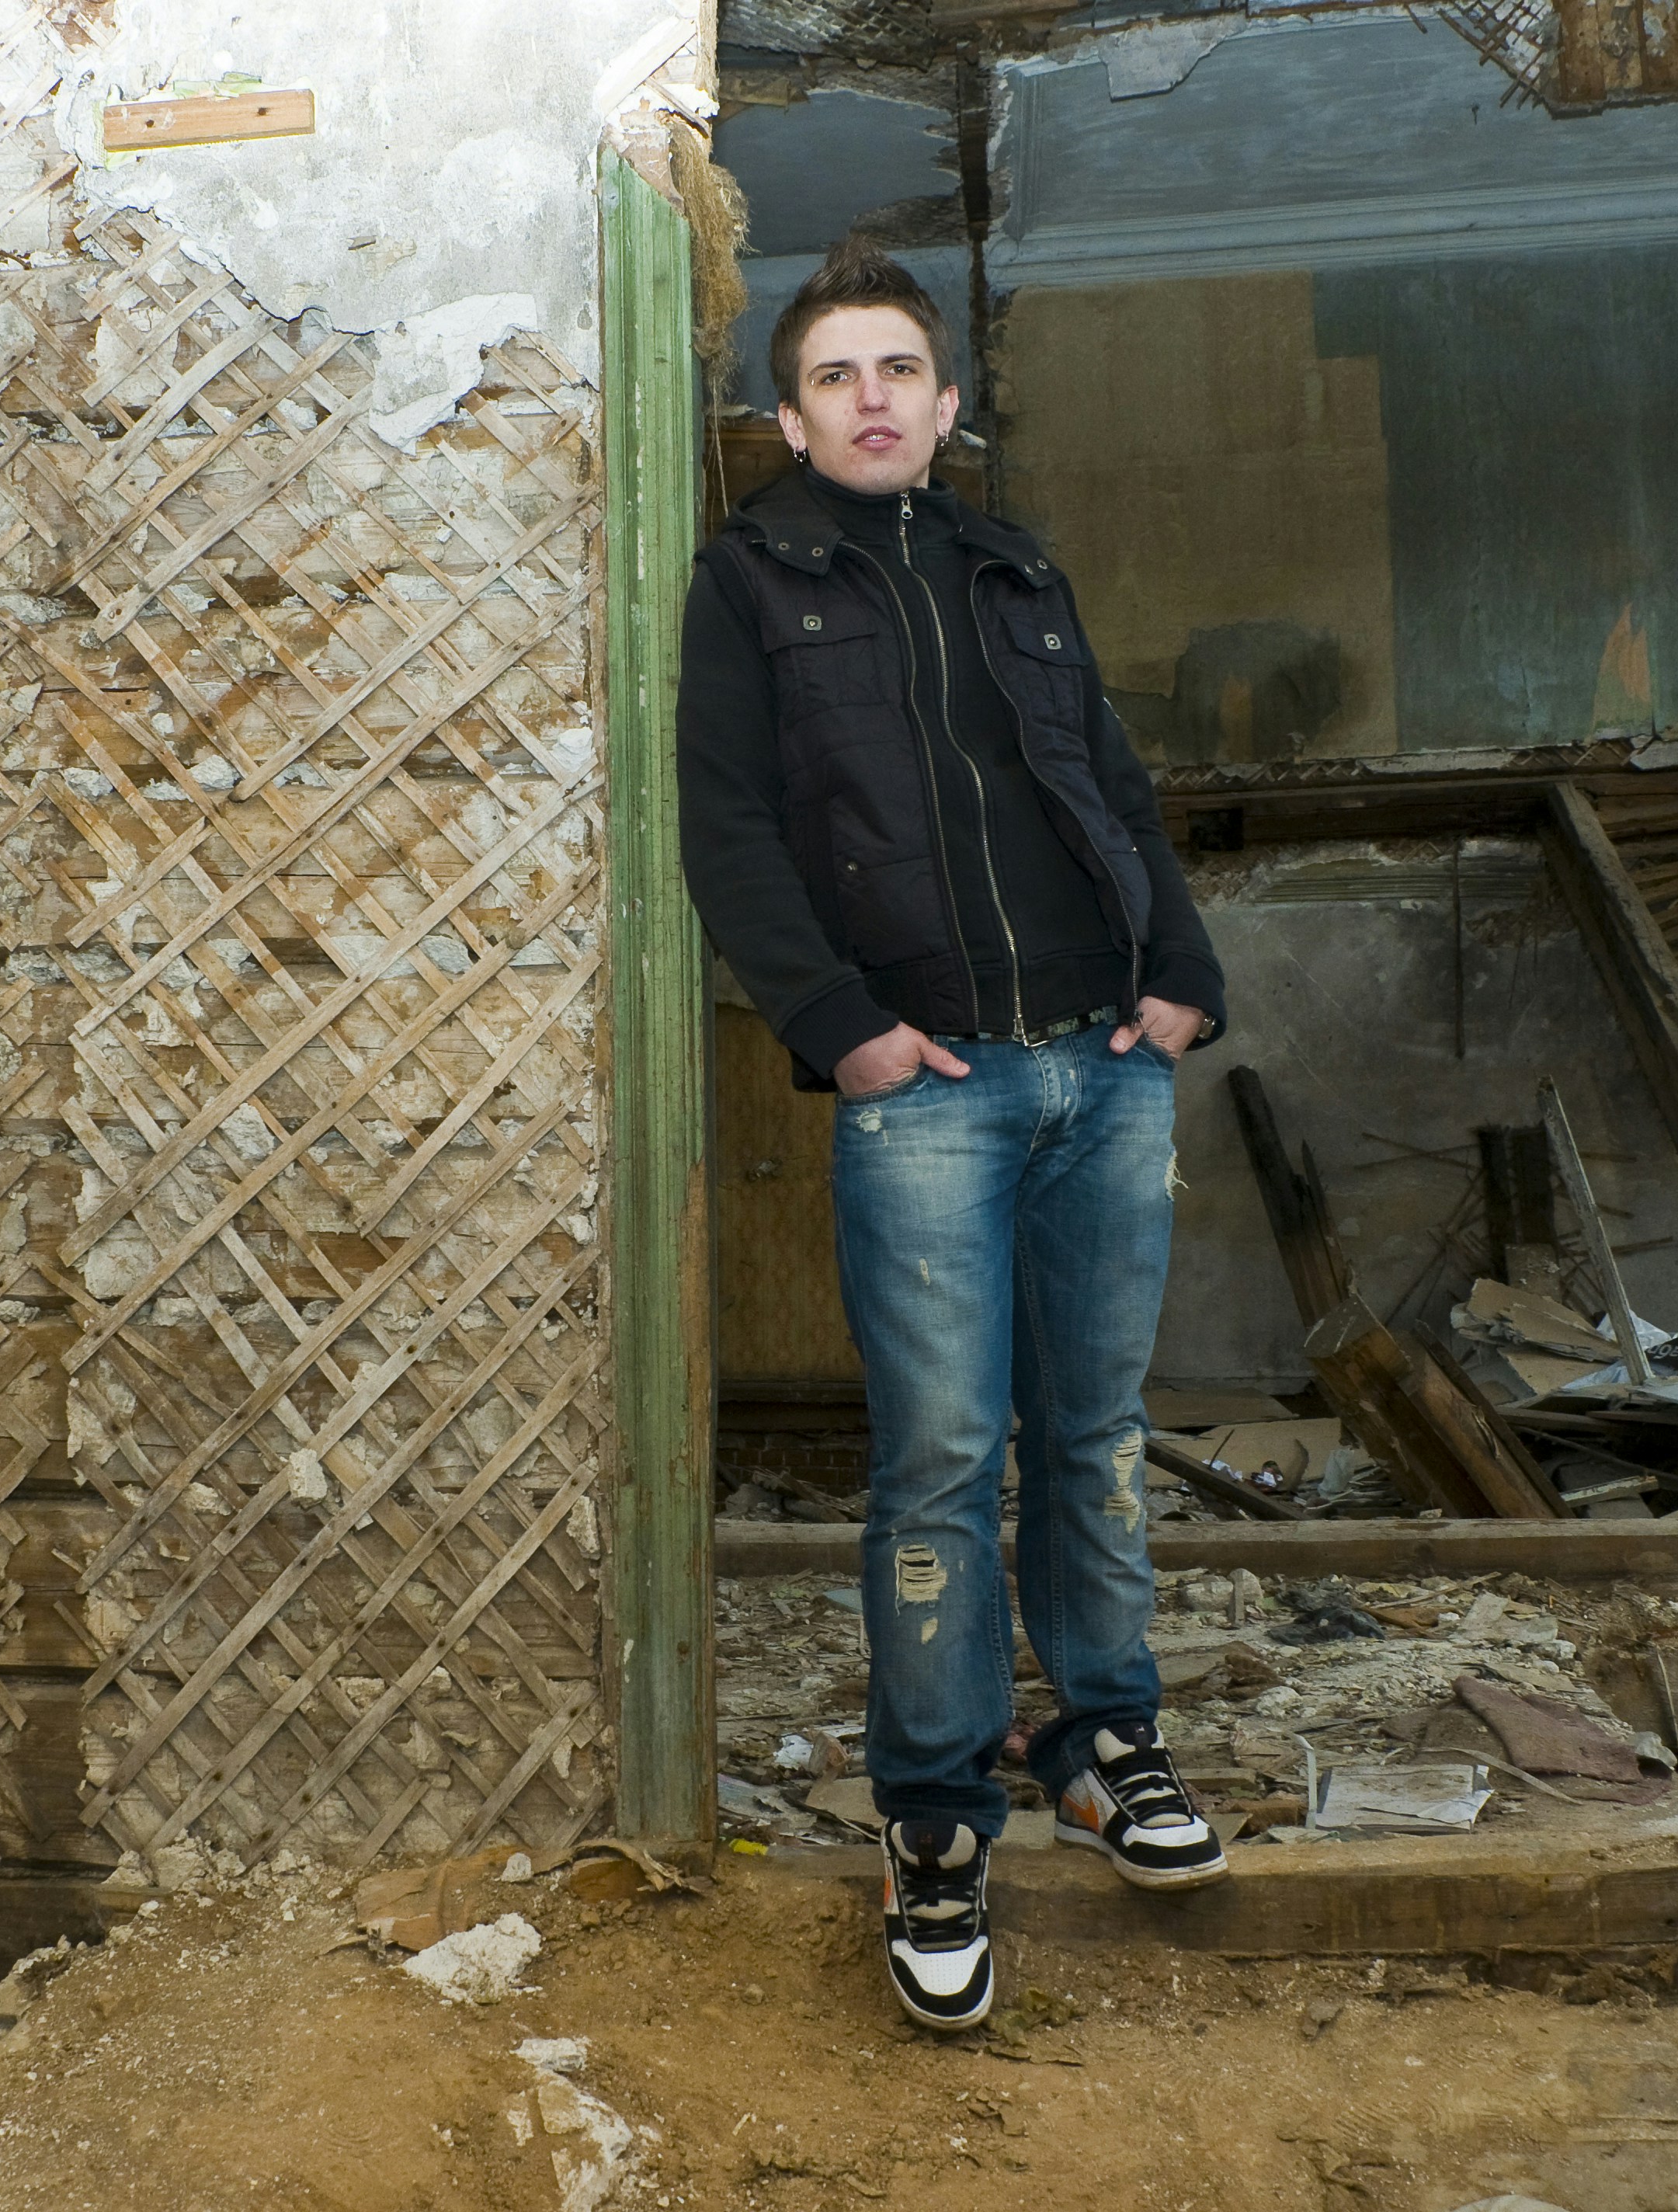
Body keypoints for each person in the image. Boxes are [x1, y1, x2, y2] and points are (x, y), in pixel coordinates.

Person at [676, 242, 1232, 2032]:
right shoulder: (750, 579)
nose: (870, 396)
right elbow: (730, 824)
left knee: (1093, 1429)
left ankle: (1101, 1735)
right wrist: (841, 1032)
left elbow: (1113, 787)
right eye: (833, 372)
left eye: (897, 366)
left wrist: (1177, 979)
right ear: (787, 411)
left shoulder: (1014, 565)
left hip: (1102, 1062)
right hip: (927, 1087)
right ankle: (933, 1814)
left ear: (943, 399)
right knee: (936, 1454)